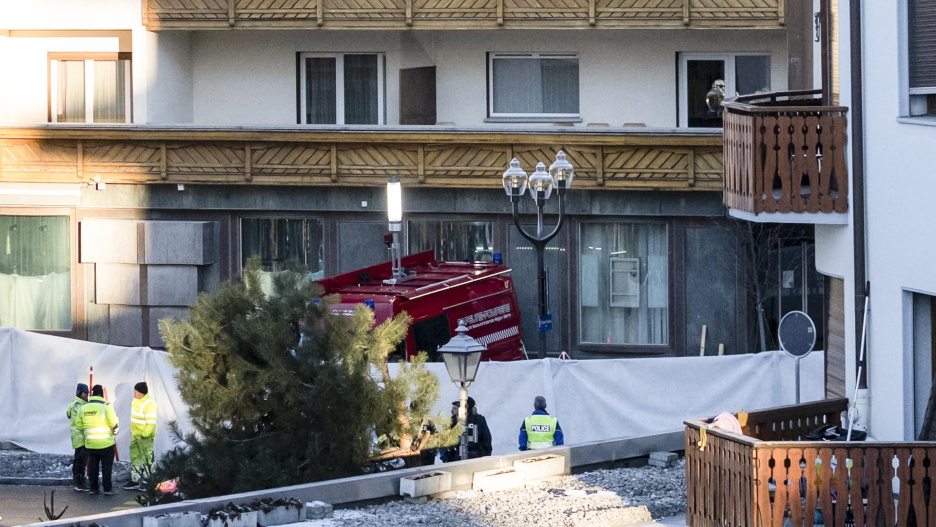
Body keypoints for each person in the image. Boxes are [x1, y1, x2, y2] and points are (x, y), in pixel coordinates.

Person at [77, 385, 119, 495]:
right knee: (106, 467)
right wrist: (114, 432)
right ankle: (107, 489)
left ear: (92, 394)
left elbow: (79, 425)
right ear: (102, 394)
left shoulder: (83, 407)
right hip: (106, 443)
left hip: (91, 444)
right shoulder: (106, 406)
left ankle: (93, 488)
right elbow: (114, 423)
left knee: (92, 466)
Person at [124, 381, 157, 490]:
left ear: (140, 393)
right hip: (136, 435)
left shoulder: (149, 404)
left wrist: (145, 435)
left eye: (135, 391)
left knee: (147, 458)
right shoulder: (135, 401)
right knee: (135, 457)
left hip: (144, 437)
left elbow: (151, 423)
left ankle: (148, 482)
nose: (134, 393)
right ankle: (135, 479)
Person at [442, 397, 493, 461]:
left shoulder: (454, 421)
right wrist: (485, 455)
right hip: (478, 457)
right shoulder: (480, 419)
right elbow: (487, 439)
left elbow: (445, 441)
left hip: (457, 458)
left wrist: (447, 457)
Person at [67, 383, 89, 492]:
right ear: (80, 393)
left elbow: (68, 414)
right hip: (81, 438)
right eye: (85, 393)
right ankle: (79, 483)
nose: (87, 396)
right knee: (81, 461)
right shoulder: (79, 406)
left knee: (78, 460)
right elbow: (83, 420)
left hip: (77, 438)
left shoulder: (75, 404)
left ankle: (78, 481)